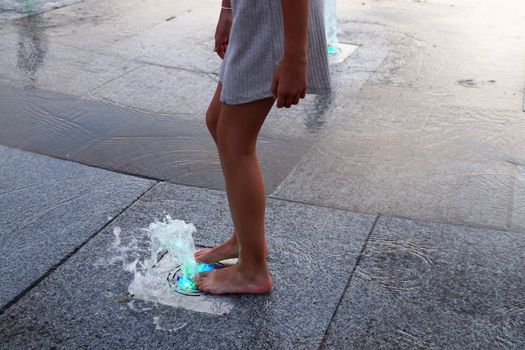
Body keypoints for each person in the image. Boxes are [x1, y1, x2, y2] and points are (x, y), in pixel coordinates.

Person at [194, 0, 332, 295]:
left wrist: (295, 56)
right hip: (254, 13)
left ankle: (252, 270)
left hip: (274, 15)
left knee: (236, 141)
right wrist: (228, 9)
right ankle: (244, 242)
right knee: (217, 120)